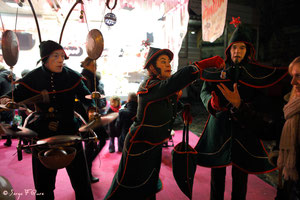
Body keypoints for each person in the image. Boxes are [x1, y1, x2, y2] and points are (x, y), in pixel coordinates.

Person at [104, 47, 225, 199]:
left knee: (149, 186)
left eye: (169, 62)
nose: (168, 65)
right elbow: (172, 84)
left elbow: (169, 101)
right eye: (163, 61)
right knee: (128, 189)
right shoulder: (149, 86)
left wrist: (183, 108)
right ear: (152, 67)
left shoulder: (161, 87)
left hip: (154, 144)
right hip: (139, 145)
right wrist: (202, 65)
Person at [194, 23, 289, 200]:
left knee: (240, 177)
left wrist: (247, 107)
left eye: (242, 47)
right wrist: (211, 103)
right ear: (229, 50)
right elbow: (204, 91)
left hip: (244, 129)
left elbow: (262, 98)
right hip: (219, 127)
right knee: (217, 177)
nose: (237, 51)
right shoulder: (217, 70)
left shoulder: (256, 73)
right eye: (234, 47)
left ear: (248, 50)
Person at [0, 40, 95, 200]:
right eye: (55, 56)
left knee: (82, 184)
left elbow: (86, 96)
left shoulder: (72, 75)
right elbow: (14, 95)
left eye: (62, 56)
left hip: (71, 133)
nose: (61, 60)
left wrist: (91, 108)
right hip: (42, 135)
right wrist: (5, 99)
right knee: (43, 188)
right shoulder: (32, 77)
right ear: (44, 58)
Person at [77, 56, 108, 183]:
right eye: (93, 65)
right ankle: (86, 170)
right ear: (87, 64)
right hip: (87, 117)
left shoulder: (91, 78)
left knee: (94, 142)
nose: (96, 67)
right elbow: (81, 99)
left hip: (91, 115)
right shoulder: (84, 78)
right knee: (93, 142)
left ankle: (85, 168)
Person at [276, 56, 300, 200]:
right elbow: (271, 130)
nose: (293, 82)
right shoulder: (291, 109)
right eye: (292, 76)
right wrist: (240, 107)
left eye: (299, 76)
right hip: (290, 185)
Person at [0, 63, 15, 147]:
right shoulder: (12, 76)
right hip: (10, 102)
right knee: (8, 121)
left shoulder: (0, 77)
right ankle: (9, 140)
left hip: (2, 102)